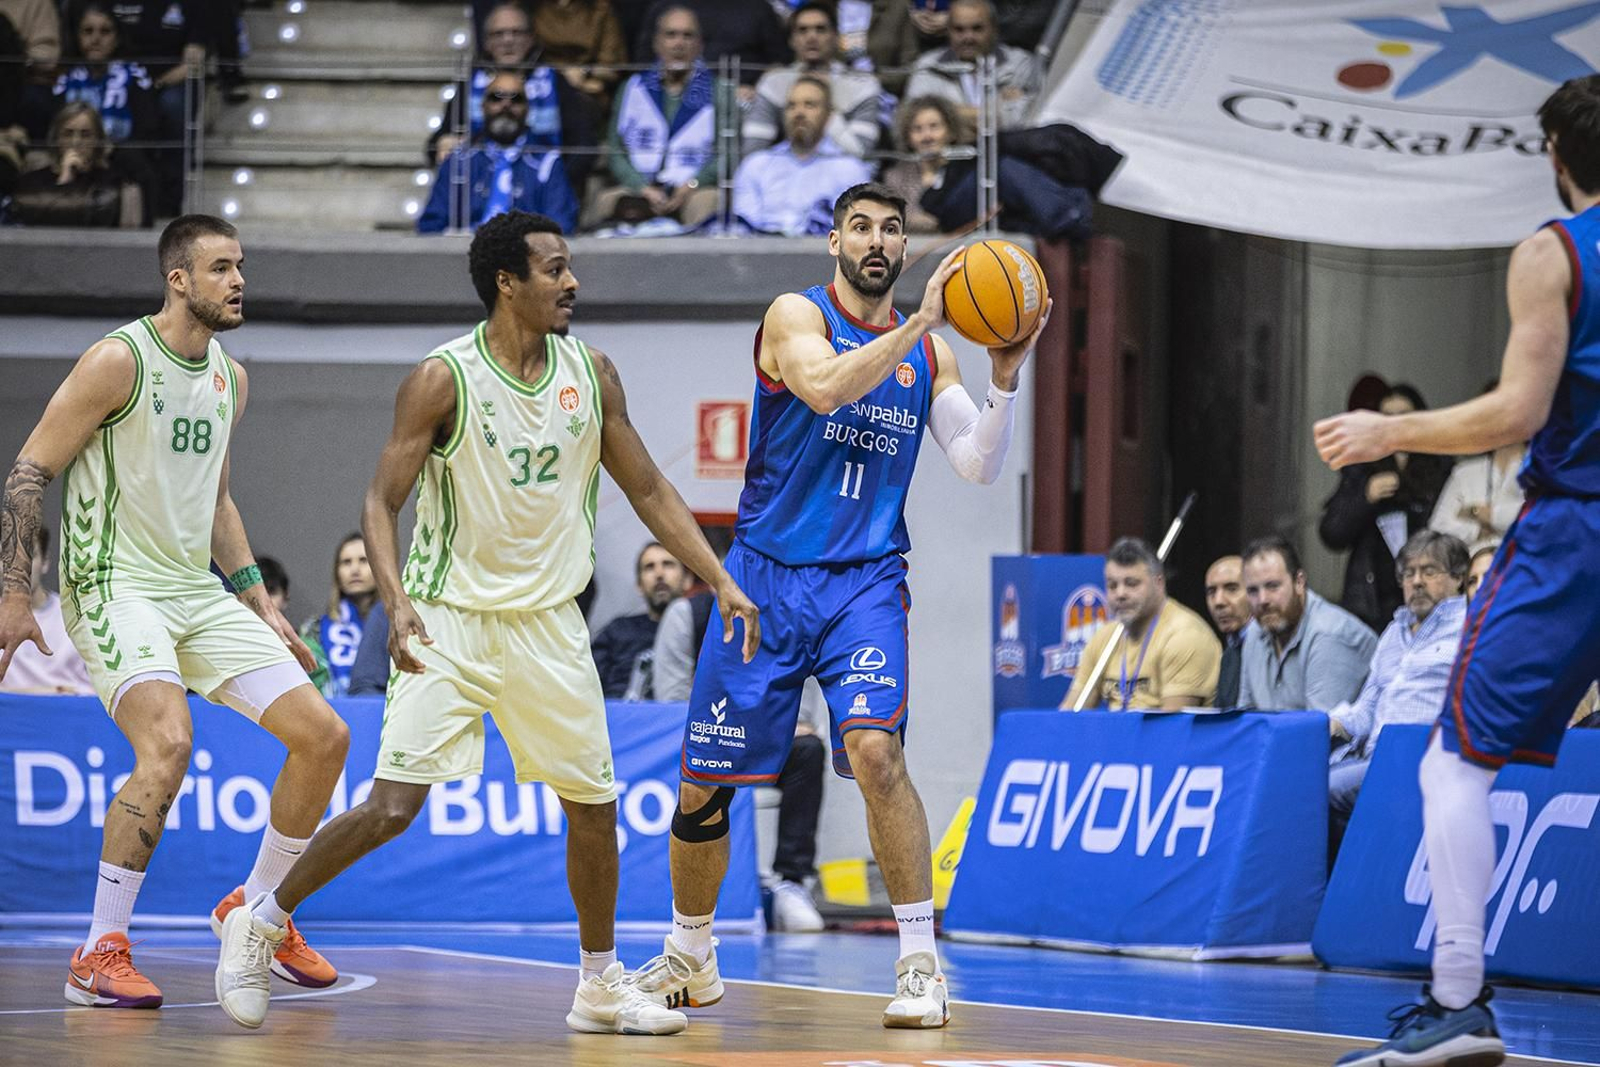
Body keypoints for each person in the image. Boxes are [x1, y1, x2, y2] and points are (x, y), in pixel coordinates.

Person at [212, 210, 761, 1036]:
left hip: (549, 624)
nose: (572, 282)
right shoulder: (443, 380)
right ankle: (259, 920)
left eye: (569, 267)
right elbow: (379, 501)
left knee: (593, 805)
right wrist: (396, 600)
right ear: (508, 282)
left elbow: (649, 487)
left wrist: (718, 578)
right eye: (555, 269)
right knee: (392, 807)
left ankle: (598, 982)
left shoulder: (593, 373)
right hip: (450, 620)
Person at [628, 182, 1048, 1030]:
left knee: (876, 754)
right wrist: (917, 324)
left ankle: (921, 965)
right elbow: (822, 388)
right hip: (765, 578)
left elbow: (976, 463)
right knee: (703, 787)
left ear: (905, 248)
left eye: (891, 229)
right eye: (861, 227)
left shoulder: (932, 357)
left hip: (864, 582)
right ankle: (691, 954)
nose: (877, 240)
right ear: (834, 241)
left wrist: (1003, 382)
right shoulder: (796, 315)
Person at [1313, 75, 1600, 1067]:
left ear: (1556, 154)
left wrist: (1388, 430)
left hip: (1576, 529)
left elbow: (1519, 410)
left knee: (1454, 760)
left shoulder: (1553, 251)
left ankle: (1456, 1000)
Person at [0, 214, 349, 1012]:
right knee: (169, 742)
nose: (239, 280)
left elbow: (217, 502)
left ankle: (256, 911)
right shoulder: (118, 361)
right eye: (221, 267)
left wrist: (259, 600)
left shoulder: (232, 379)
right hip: (113, 583)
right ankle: (99, 949)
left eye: (241, 266)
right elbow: (28, 471)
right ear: (178, 279)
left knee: (325, 735)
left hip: (195, 590)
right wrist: (15, 591)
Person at [652, 530, 827, 933]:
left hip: (766, 735)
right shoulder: (686, 614)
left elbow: (801, 684)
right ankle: (693, 911)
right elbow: (671, 701)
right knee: (703, 759)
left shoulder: (789, 609)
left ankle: (792, 882)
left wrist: (788, 726)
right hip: (709, 733)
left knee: (809, 749)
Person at [1326, 531, 1468, 860]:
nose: (1416, 582)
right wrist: (1325, 724)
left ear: (1458, 578)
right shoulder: (1393, 632)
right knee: (1297, 780)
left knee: (1320, 793)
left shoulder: (1469, 627)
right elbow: (1366, 710)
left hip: (1419, 760)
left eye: (1429, 571)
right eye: (1408, 573)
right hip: (1370, 758)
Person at [1318, 384, 1454, 632]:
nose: (1395, 424)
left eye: (1403, 416)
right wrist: (1365, 496)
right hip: (1372, 601)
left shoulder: (1440, 465)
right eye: (1387, 417)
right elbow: (1332, 533)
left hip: (1429, 595)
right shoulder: (1362, 465)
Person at [430, 1, 598, 199]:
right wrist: (443, 142)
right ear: (486, 42)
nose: (508, 40)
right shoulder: (470, 84)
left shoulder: (555, 82)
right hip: (478, 192)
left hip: (542, 194)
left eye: (516, 33)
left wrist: (553, 183)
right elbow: (436, 143)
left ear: (531, 38)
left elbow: (584, 147)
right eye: (498, 34)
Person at [598, 4, 727, 229]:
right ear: (656, 42)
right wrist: (641, 187)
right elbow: (615, 150)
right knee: (605, 201)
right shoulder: (631, 88)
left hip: (693, 188)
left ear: (700, 44)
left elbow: (727, 154)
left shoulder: (720, 91)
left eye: (687, 36)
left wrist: (692, 184)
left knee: (707, 202)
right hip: (640, 186)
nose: (679, 43)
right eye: (671, 35)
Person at [1061, 536, 1221, 710]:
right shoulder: (1103, 638)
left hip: (1160, 726)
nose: (1120, 594)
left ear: (1159, 583)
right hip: (1118, 726)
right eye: (1112, 585)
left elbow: (1173, 722)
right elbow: (1070, 713)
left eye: (1131, 584)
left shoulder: (1185, 635)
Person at [417, 68, 581, 234]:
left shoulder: (548, 163)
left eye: (516, 99)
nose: (506, 105)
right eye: (496, 98)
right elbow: (431, 225)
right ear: (482, 106)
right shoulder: (459, 160)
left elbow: (561, 226)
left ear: (528, 108)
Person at [1236, 534, 1376, 713]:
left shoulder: (1330, 634)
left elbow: (1320, 728)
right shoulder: (1256, 630)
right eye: (1253, 591)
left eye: (1273, 586)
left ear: (1299, 582)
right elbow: (1245, 716)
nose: (1262, 600)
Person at [731, 75, 874, 235]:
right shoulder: (755, 165)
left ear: (829, 115)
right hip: (761, 248)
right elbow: (744, 231)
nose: (799, 112)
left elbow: (855, 233)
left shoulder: (850, 169)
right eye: (791, 106)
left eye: (810, 105)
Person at [743, 2, 884, 159]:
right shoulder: (773, 84)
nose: (811, 37)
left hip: (841, 170)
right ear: (792, 40)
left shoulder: (863, 85)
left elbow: (862, 154)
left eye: (820, 29)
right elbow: (752, 152)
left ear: (836, 37)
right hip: (784, 168)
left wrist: (825, 109)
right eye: (802, 30)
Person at [903, 0, 1040, 131]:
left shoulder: (1019, 63)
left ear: (994, 29)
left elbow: (1031, 118)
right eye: (959, 30)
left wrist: (946, 111)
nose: (968, 37)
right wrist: (999, 110)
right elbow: (916, 119)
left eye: (977, 29)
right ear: (948, 31)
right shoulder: (929, 65)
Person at [5, 101, 147, 227]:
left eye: (85, 135)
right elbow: (36, 224)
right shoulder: (32, 180)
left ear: (98, 140)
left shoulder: (113, 182)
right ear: (56, 139)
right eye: (68, 134)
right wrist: (64, 181)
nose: (76, 142)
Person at [1428, 388, 1526, 551]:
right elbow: (1438, 528)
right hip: (1474, 561)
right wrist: (1477, 531)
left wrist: (1477, 512)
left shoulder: (1544, 469)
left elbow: (1540, 521)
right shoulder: (1465, 472)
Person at [0, 527, 93, 694]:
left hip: (70, 708)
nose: (19, 568)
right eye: (7, 557)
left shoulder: (79, 615)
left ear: (45, 562)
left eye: (29, 555)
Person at [590, 540, 687, 699]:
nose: (659, 574)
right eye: (649, 567)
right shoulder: (617, 631)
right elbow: (588, 685)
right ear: (639, 585)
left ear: (687, 579)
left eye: (668, 564)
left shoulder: (703, 632)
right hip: (618, 710)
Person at [298, 533, 377, 699]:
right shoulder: (315, 629)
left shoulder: (397, 625)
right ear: (337, 572)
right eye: (346, 562)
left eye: (363, 560)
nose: (355, 570)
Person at [879, 94, 967, 234]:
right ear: (908, 137)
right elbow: (891, 220)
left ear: (950, 131)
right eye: (917, 129)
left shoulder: (965, 171)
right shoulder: (895, 177)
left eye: (934, 127)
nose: (927, 136)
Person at [529, 0, 628, 109]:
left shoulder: (600, 9)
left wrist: (583, 73)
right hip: (543, 82)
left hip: (588, 85)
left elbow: (612, 66)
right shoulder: (536, 7)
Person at [1203, 554, 1252, 708]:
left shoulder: (1274, 646)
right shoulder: (1230, 652)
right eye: (1211, 592)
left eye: (1231, 589)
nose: (1218, 602)